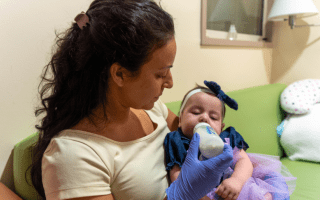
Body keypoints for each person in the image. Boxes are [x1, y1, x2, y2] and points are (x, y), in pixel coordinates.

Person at [28, 1, 233, 200]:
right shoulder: (74, 156)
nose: (170, 83)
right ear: (120, 74)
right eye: (161, 74)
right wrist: (182, 194)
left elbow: (192, 138)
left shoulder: (153, 110)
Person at [164, 80, 296, 200]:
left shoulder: (227, 138)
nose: (204, 118)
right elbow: (177, 176)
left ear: (221, 127)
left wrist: (237, 181)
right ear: (180, 120)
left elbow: (244, 161)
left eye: (213, 117)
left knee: (274, 179)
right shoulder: (177, 141)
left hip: (236, 184)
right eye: (196, 112)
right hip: (206, 193)